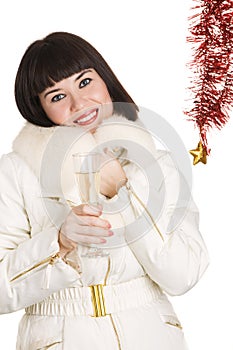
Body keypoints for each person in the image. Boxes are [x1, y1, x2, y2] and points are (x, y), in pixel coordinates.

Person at [0, 31, 208, 350]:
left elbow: (182, 275)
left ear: (105, 79)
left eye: (85, 82)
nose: (79, 103)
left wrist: (124, 190)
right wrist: (59, 242)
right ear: (39, 109)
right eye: (57, 96)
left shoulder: (157, 165)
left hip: (153, 336)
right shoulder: (17, 171)